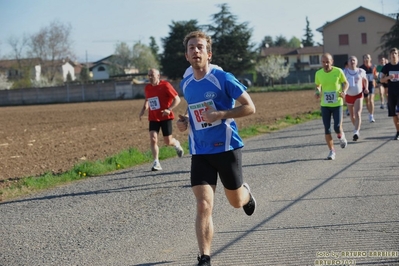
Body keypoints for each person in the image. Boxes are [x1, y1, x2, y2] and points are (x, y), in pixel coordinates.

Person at [176, 31, 256, 266]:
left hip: (226, 148)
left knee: (235, 201)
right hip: (200, 152)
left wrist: (221, 114)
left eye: (200, 47)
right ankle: (205, 257)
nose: (196, 51)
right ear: (186, 55)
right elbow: (193, 112)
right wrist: (185, 123)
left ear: (208, 54)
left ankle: (246, 193)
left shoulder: (223, 78)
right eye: (191, 47)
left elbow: (250, 107)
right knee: (203, 204)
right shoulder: (187, 82)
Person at [139, 68, 184, 171]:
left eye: (152, 75)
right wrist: (143, 109)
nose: (150, 77)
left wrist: (169, 109)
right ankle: (156, 162)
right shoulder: (147, 88)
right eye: (149, 75)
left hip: (165, 117)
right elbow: (148, 99)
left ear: (158, 76)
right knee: (153, 138)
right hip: (153, 117)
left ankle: (176, 144)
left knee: (168, 141)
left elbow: (177, 99)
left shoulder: (166, 86)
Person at [315, 53, 349, 160]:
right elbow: (318, 84)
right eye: (323, 62)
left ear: (332, 61)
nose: (325, 64)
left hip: (337, 103)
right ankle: (332, 151)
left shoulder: (338, 71)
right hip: (325, 105)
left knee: (337, 127)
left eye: (327, 62)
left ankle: (341, 136)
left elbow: (346, 83)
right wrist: (318, 90)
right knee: (327, 129)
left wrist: (344, 91)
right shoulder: (318, 73)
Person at [343, 56, 369, 141]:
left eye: (354, 60)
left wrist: (366, 88)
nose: (352, 61)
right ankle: (356, 127)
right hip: (348, 95)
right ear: (348, 62)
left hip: (358, 95)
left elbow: (365, 80)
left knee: (357, 113)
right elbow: (341, 82)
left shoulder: (361, 71)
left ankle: (356, 131)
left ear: (356, 62)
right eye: (350, 60)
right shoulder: (345, 72)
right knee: (352, 115)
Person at [380, 47, 399, 140]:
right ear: (390, 56)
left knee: (398, 112)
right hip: (391, 93)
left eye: (395, 53)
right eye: (392, 53)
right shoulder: (387, 67)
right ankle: (398, 132)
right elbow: (381, 79)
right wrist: (388, 78)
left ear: (398, 55)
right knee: (394, 114)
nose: (393, 55)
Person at [360, 54, 377, 122]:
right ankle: (369, 113)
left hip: (371, 85)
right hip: (364, 86)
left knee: (371, 100)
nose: (366, 59)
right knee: (367, 101)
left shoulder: (373, 67)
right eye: (365, 58)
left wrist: (375, 77)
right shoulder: (361, 68)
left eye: (368, 58)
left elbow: (375, 75)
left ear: (370, 59)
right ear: (364, 59)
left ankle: (371, 115)